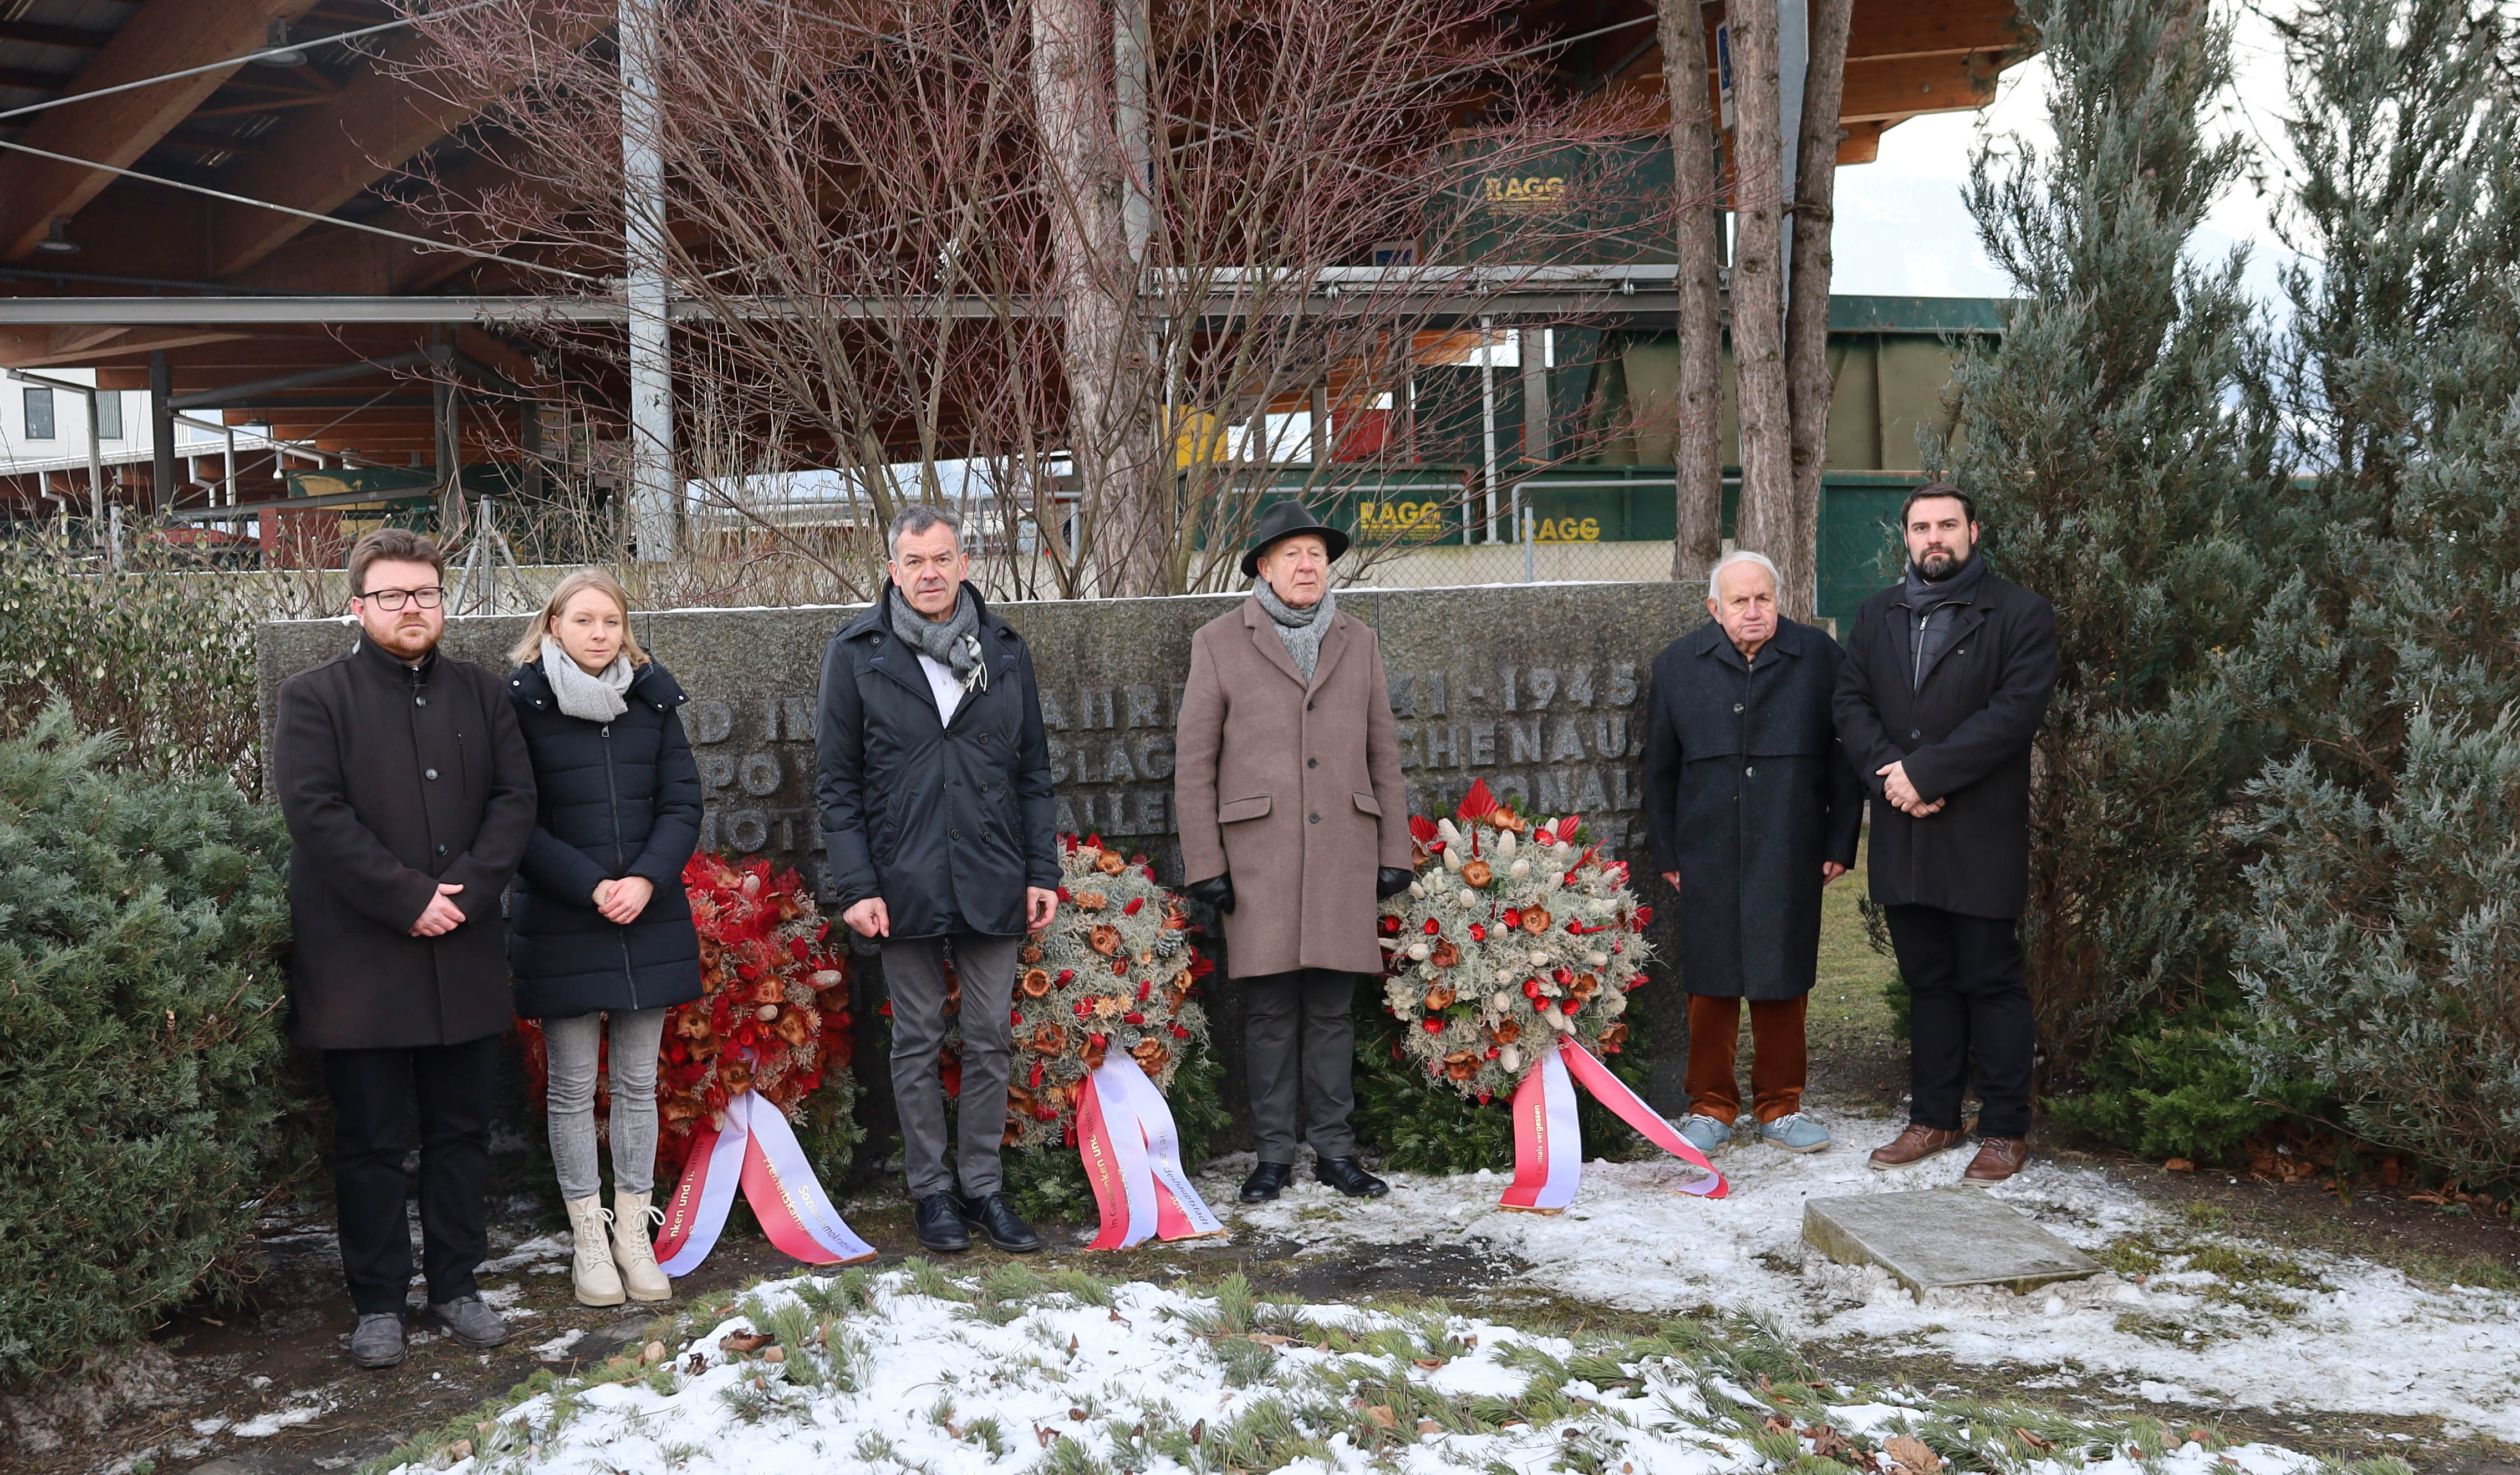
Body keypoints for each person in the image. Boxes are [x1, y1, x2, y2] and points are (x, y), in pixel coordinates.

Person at [273, 528, 536, 1369]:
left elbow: (514, 800)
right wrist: (406, 897)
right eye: (392, 596)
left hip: (462, 947)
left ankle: (457, 1284)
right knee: (372, 1141)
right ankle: (379, 1301)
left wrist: (464, 892)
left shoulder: (483, 693)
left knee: (463, 1132)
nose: (412, 608)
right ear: (358, 606)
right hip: (360, 962)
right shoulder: (314, 698)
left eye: (425, 593)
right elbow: (315, 815)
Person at [816, 505, 1057, 1255]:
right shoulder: (857, 654)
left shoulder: (1006, 650)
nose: (928, 573)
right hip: (902, 878)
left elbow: (1034, 773)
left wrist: (1040, 870)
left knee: (988, 1037)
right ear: (893, 570)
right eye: (913, 561)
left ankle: (983, 1188)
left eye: (942, 558)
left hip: (992, 872)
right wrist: (856, 888)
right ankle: (932, 1195)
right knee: (917, 1039)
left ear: (962, 563)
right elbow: (837, 784)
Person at [1174, 501, 1414, 1205]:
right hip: (1259, 861)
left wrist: (1394, 846)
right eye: (1292, 555)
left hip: (1344, 848)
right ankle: (1274, 1154)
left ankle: (1337, 1151)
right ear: (1263, 568)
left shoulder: (1357, 639)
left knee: (1334, 1010)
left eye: (1316, 553)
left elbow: (1383, 752)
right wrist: (1207, 864)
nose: (1308, 565)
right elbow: (1195, 764)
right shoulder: (1219, 641)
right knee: (1272, 1010)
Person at [1834, 482, 2058, 1186]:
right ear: (1905, 537)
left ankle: (2003, 1129)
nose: (1935, 537)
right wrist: (1890, 777)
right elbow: (1851, 701)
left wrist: (1925, 774)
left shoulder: (2020, 612)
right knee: (1927, 979)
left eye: (1948, 525)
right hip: (1904, 829)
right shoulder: (1876, 614)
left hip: (1980, 827)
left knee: (1991, 979)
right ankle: (1933, 1116)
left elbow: (2014, 712)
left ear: (1974, 531)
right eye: (1922, 526)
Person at [505, 569, 701, 1306]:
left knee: (636, 1086)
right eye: (582, 619)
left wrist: (646, 880)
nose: (598, 633)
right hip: (563, 918)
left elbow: (683, 801)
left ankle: (630, 1234)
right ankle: (587, 1237)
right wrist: (590, 886)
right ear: (552, 625)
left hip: (645, 914)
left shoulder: (652, 702)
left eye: (610, 621)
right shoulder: (521, 705)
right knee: (571, 1087)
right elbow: (516, 818)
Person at [1640, 550, 1862, 1157]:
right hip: (1705, 850)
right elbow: (1658, 771)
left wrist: (1840, 840)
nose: (1753, 611)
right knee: (1710, 981)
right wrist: (1668, 851)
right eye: (1739, 601)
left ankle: (1781, 1106)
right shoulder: (1678, 666)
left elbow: (1847, 759)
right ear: (1716, 608)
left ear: (1779, 600)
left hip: (1791, 845)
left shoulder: (1820, 658)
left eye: (1763, 598)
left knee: (1782, 977)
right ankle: (1710, 1105)